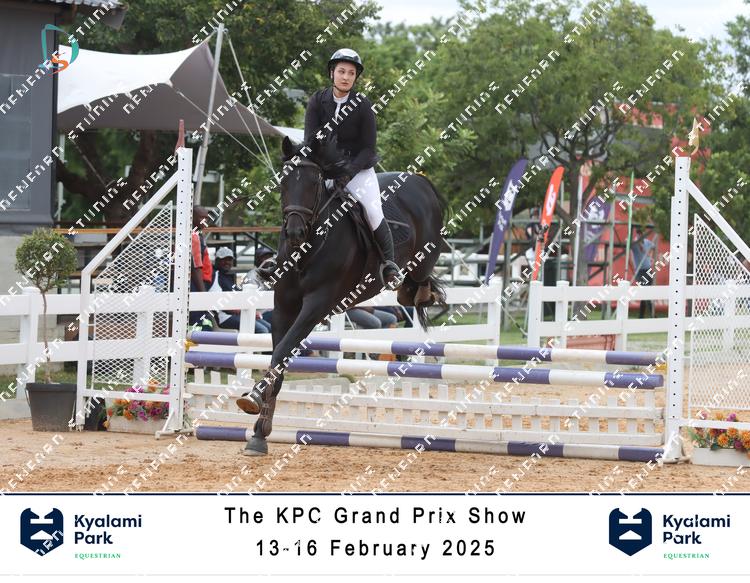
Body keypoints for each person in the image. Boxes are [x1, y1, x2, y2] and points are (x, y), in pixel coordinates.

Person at [304, 48, 403, 290]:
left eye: (351, 73)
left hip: (358, 170)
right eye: (341, 71)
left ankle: (389, 265)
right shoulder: (317, 101)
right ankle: (285, 259)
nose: (346, 77)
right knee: (301, 205)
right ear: (332, 73)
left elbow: (368, 148)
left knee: (373, 210)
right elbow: (310, 141)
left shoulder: (363, 105)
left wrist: (348, 173)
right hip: (325, 169)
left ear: (355, 77)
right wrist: (323, 170)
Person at [189, 206, 213, 330]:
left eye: (206, 218)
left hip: (202, 283)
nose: (205, 221)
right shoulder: (193, 236)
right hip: (197, 284)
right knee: (199, 322)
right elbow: (195, 268)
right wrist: (203, 295)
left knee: (202, 320)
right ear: (192, 218)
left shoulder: (198, 234)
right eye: (201, 217)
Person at [631, 228, 656, 318]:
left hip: (648, 270)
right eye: (639, 233)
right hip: (640, 271)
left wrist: (651, 257)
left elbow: (653, 247)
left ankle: (641, 315)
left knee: (646, 293)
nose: (640, 235)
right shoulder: (634, 244)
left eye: (641, 233)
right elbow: (628, 243)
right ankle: (652, 315)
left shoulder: (647, 242)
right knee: (645, 291)